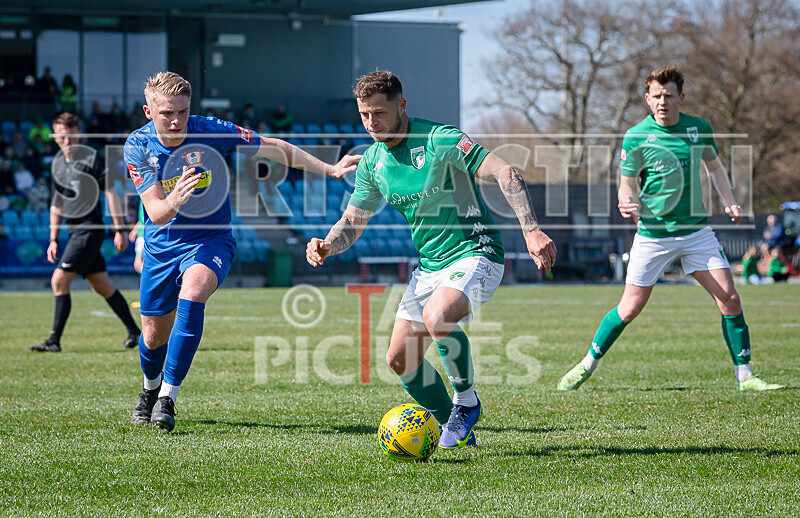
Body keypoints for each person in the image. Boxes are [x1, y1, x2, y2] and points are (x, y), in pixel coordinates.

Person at [306, 71, 556, 449]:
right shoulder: (372, 162)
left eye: (379, 113)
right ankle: (455, 430)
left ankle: (466, 403)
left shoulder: (440, 140)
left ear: (402, 106)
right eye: (364, 115)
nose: (372, 123)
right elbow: (353, 222)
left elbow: (506, 172)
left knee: (438, 316)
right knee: (400, 359)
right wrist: (327, 244)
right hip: (430, 265)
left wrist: (531, 230)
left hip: (477, 251)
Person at [124, 71, 360, 432]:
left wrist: (328, 168)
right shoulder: (138, 146)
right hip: (161, 247)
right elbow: (156, 213)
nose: (176, 121)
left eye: (183, 112)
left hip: (210, 240)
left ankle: (167, 398)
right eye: (167, 113)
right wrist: (175, 199)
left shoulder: (211, 130)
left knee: (193, 293)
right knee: (153, 336)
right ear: (148, 112)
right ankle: (149, 389)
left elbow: (273, 146)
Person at [558, 65, 783, 392]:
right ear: (647, 99)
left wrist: (730, 201)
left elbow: (715, 169)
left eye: (669, 95)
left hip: (696, 233)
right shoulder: (636, 136)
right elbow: (626, 183)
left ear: (681, 97)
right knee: (629, 308)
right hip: (653, 236)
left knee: (730, 299)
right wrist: (625, 200)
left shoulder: (699, 129)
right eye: (657, 96)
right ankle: (586, 364)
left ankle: (745, 376)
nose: (662, 101)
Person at [29, 112, 141, 353]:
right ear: (54, 137)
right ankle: (135, 332)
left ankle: (54, 341)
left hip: (89, 230)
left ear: (79, 134)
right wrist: (53, 239)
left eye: (71, 135)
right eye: (61, 136)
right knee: (102, 285)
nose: (66, 141)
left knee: (59, 281)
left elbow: (111, 193)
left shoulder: (92, 159)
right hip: (74, 232)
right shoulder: (58, 164)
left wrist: (120, 229)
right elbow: (56, 205)